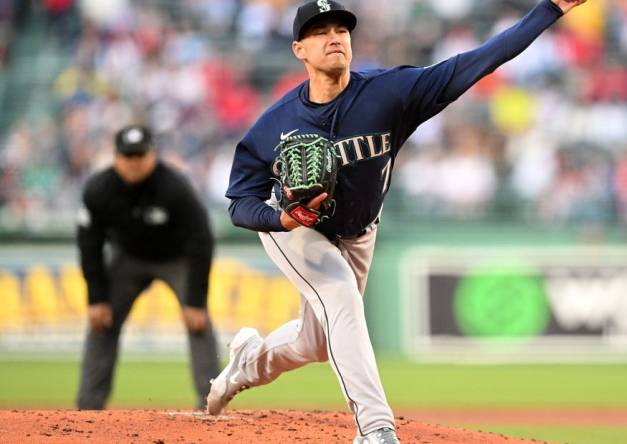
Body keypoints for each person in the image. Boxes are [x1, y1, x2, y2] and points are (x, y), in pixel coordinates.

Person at [207, 1, 587, 442]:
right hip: (298, 230)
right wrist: (282, 219)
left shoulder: (391, 93)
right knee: (341, 298)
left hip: (359, 231)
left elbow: (479, 61)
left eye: (340, 29)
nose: (334, 37)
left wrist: (549, 9)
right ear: (298, 49)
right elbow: (239, 202)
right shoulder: (274, 125)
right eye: (319, 31)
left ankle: (246, 363)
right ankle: (375, 428)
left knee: (314, 342)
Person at [76, 124, 219, 410]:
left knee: (199, 322)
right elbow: (89, 244)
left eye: (140, 155)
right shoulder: (98, 189)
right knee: (101, 322)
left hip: (176, 259)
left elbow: (201, 239)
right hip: (127, 258)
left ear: (152, 155)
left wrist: (196, 300)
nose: (134, 162)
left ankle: (210, 404)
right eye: (128, 156)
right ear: (115, 157)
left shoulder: (175, 186)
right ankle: (88, 409)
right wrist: (96, 298)